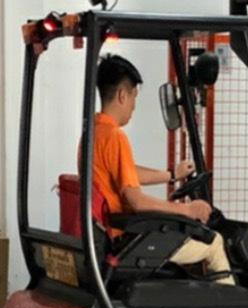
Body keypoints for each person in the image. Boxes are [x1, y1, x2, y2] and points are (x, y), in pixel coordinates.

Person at [87, 54, 235, 285]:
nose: (134, 106)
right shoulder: (115, 136)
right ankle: (232, 307)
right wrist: (187, 210)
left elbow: (126, 172)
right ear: (122, 95)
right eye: (134, 97)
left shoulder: (95, 133)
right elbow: (137, 202)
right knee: (213, 242)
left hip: (113, 231)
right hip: (128, 237)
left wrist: (172, 175)